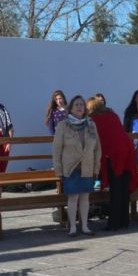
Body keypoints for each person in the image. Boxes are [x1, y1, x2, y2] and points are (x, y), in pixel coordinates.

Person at [52, 95, 100, 236]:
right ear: (71, 108)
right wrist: (58, 170)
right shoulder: (63, 125)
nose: (79, 107)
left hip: (87, 166)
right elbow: (56, 149)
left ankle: (84, 226)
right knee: (73, 198)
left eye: (81, 105)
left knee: (85, 198)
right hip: (71, 168)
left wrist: (96, 167)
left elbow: (98, 148)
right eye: (76, 105)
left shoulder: (91, 124)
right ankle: (72, 227)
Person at [90, 97, 138, 231]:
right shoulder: (112, 114)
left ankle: (114, 223)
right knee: (124, 189)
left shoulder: (94, 119)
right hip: (127, 151)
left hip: (114, 155)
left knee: (116, 190)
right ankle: (124, 221)